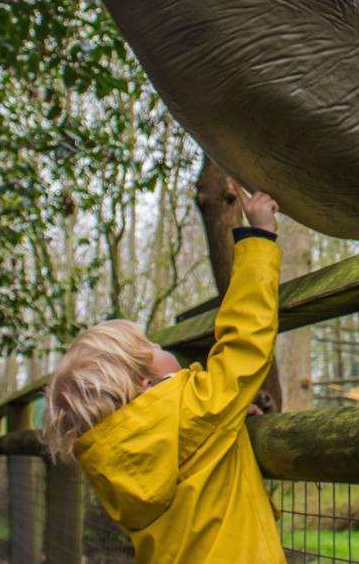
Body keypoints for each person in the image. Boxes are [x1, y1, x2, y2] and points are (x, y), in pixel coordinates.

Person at [43, 187, 286, 563]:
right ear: (146, 385)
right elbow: (244, 343)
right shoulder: (191, 413)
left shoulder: (115, 463)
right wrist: (259, 237)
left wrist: (231, 420)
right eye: (152, 348)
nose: (161, 348)